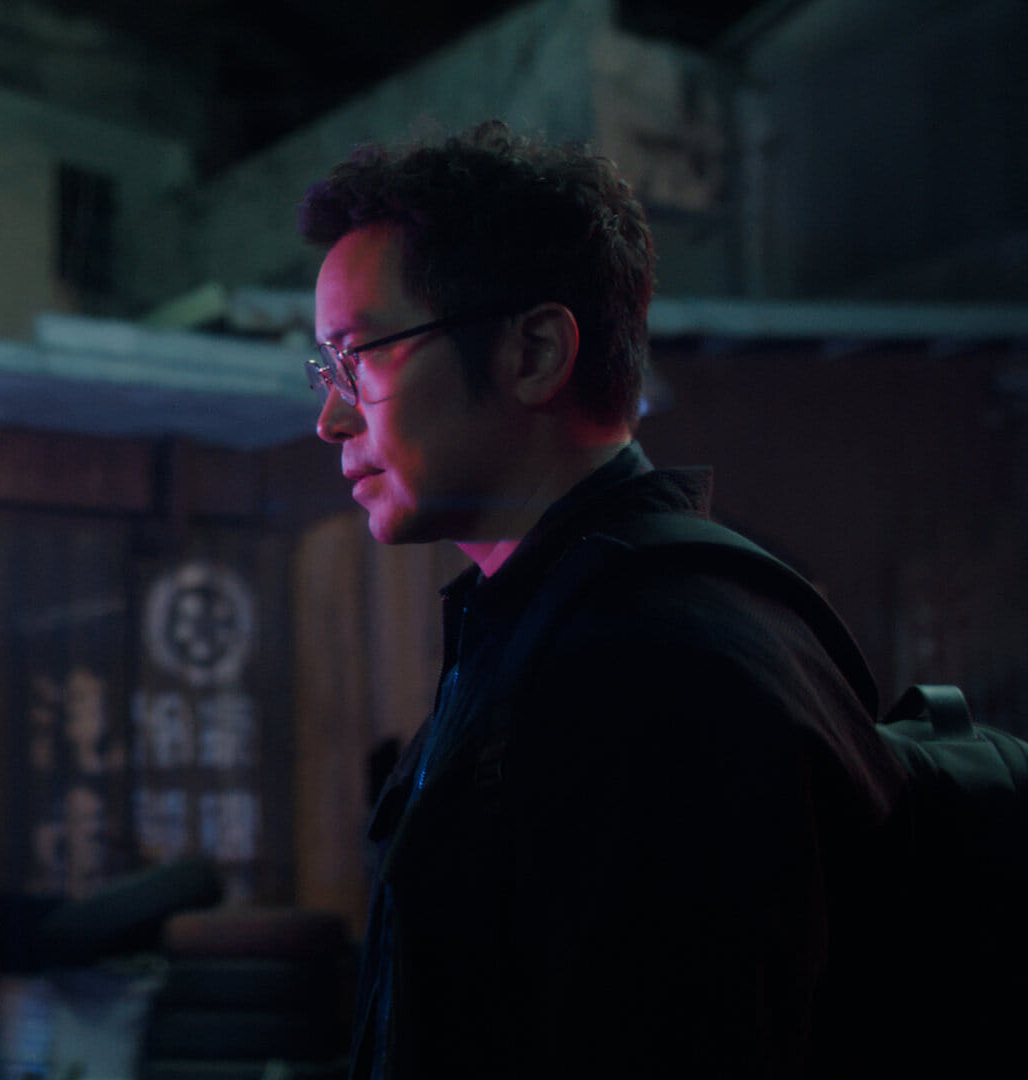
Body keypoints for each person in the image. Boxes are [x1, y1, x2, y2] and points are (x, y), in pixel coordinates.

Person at [299, 121, 907, 1077]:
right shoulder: (559, 626)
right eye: (325, 368)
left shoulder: (652, 668)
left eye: (358, 357)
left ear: (536, 351)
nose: (330, 416)